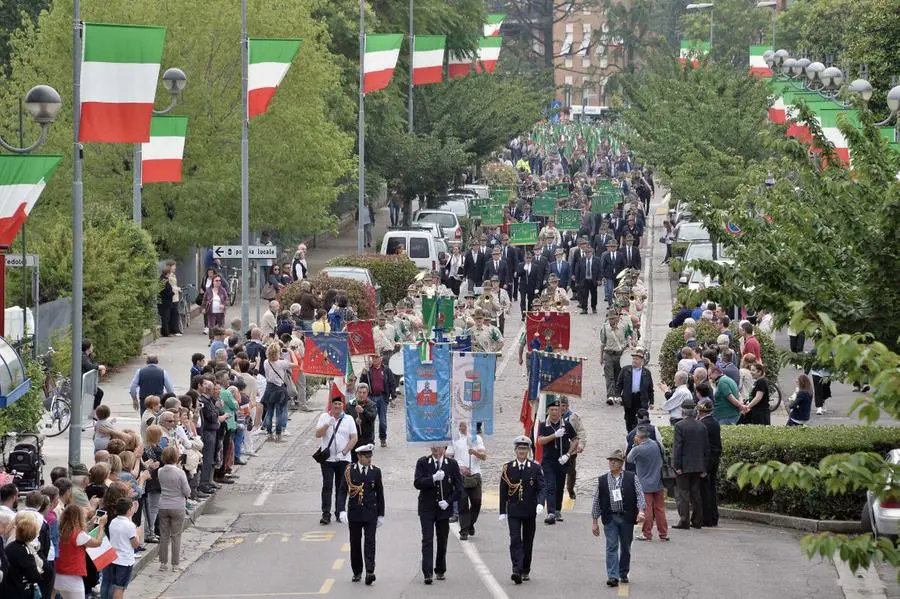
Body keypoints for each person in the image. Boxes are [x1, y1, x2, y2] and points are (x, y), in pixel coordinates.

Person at [591, 449, 646, 588]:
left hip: (627, 517)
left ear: (621, 463)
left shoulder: (631, 477)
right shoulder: (602, 480)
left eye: (615, 461)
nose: (612, 463)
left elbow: (640, 495)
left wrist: (640, 511)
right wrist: (594, 522)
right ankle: (612, 576)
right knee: (611, 546)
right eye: (610, 461)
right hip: (610, 518)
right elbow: (597, 501)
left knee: (626, 547)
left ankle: (623, 572)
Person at [413, 444, 462, 585]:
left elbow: (458, 488)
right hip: (427, 508)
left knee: (442, 540)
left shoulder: (451, 464)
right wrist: (433, 478)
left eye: (439, 446)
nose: (435, 448)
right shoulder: (423, 462)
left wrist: (448, 501)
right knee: (427, 540)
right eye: (433, 446)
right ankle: (427, 573)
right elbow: (417, 482)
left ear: (444, 448)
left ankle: (440, 569)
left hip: (443, 509)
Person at [499, 436, 545, 584]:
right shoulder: (508, 468)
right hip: (513, 510)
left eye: (524, 449)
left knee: (528, 541)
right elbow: (503, 491)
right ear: (515, 450)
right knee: (515, 539)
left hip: (529, 510)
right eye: (519, 449)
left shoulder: (535, 468)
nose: (522, 452)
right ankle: (516, 570)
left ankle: (525, 569)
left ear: (528, 451)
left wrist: (540, 503)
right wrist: (502, 512)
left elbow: (541, 488)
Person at [338, 444, 384, 585]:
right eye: (366, 457)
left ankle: (370, 571)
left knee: (370, 542)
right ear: (359, 457)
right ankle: (357, 571)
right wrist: (341, 510)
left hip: (370, 512)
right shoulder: (350, 471)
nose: (369, 459)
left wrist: (381, 514)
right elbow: (342, 491)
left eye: (370, 456)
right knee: (355, 542)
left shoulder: (375, 472)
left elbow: (380, 494)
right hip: (355, 512)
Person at [536, 396, 579, 525]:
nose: (554, 412)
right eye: (552, 409)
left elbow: (575, 440)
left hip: (562, 460)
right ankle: (550, 513)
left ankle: (557, 510)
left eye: (556, 409)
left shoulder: (566, 425)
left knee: (560, 486)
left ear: (561, 411)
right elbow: (539, 441)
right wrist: (554, 435)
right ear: (548, 411)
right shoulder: (544, 425)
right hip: (548, 460)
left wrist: (568, 454)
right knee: (551, 485)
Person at [316, 397, 357, 525]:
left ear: (342, 406)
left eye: (339, 404)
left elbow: (354, 438)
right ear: (331, 405)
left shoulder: (348, 419)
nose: (337, 406)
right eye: (335, 404)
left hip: (343, 459)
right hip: (328, 459)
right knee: (327, 486)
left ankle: (340, 512)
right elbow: (318, 434)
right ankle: (326, 513)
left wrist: (344, 451)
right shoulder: (324, 417)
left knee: (341, 487)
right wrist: (328, 423)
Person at [53, 504, 107, 599]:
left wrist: (90, 522)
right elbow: (97, 543)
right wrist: (101, 526)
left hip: (59, 575)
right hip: (73, 577)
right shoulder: (78, 534)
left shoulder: (60, 530)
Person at [672, 400, 710, 530]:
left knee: (683, 493)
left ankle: (684, 521)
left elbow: (678, 447)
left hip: (684, 466)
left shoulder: (679, 426)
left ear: (683, 411)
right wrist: (704, 467)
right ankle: (697, 520)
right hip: (698, 465)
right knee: (695, 493)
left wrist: (676, 466)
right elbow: (706, 448)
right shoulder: (702, 426)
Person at [627, 427, 668, 541]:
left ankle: (647, 534)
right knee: (660, 509)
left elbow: (629, 459)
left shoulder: (638, 449)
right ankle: (663, 533)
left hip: (644, 484)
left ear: (638, 437)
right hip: (658, 481)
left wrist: (634, 445)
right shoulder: (656, 445)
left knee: (647, 509)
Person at [157, 445, 190, 572]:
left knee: (164, 535)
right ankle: (175, 564)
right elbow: (186, 490)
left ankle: (163, 563)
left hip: (164, 504)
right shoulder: (180, 472)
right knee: (176, 535)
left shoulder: (160, 471)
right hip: (177, 505)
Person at [451, 421, 486, 541]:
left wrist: (474, 452)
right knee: (463, 503)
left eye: (464, 425)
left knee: (476, 501)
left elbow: (484, 456)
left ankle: (470, 523)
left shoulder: (477, 439)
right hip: (461, 476)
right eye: (460, 425)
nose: (462, 428)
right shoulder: (455, 439)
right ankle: (464, 531)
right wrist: (460, 468)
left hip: (475, 474)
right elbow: (449, 456)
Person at [103, 498, 141, 599]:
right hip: (124, 560)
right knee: (120, 587)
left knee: (110, 584)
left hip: (113, 557)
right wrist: (138, 534)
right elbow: (135, 544)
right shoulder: (130, 525)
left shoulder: (113, 521)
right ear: (128, 510)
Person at [359, 355, 397, 449]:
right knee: (370, 420)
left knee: (383, 421)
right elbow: (361, 384)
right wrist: (363, 374)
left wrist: (393, 397)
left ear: (381, 358)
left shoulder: (386, 370)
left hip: (382, 398)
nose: (374, 359)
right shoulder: (368, 370)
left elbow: (392, 384)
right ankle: (370, 440)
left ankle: (383, 438)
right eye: (373, 358)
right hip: (371, 398)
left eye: (376, 357)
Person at [1, 513, 42, 598]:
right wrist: (38, 570)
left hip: (7, 590)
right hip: (20, 591)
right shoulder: (26, 551)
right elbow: (34, 577)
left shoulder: (10, 546)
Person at [616, 347, 654, 433]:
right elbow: (619, 384)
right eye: (633, 359)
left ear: (642, 361)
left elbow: (650, 388)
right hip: (629, 398)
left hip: (641, 399)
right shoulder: (625, 370)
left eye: (636, 359)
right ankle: (630, 435)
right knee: (629, 419)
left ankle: (639, 435)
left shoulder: (646, 373)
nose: (634, 361)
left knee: (641, 419)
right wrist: (618, 395)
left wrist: (651, 402)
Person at [697, 398, 722, 527]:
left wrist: (703, 467)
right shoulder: (714, 423)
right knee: (711, 489)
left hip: (707, 462)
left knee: (704, 491)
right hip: (714, 460)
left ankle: (706, 517)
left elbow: (704, 447)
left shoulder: (703, 425)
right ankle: (713, 516)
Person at [599, 310, 629, 405]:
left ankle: (618, 394)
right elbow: (603, 343)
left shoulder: (623, 326)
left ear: (617, 318)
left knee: (619, 376)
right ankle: (610, 395)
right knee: (609, 376)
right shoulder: (605, 328)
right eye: (610, 319)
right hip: (608, 354)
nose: (611, 320)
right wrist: (601, 357)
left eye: (613, 318)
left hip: (620, 354)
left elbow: (627, 338)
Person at [559, 397, 586, 499]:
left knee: (571, 472)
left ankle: (570, 489)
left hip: (571, 450)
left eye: (562, 405)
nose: (559, 408)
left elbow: (581, 432)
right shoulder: (553, 416)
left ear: (566, 406)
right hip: (557, 449)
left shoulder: (573, 417)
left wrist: (581, 444)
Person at [82, 340, 108, 412]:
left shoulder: (89, 356)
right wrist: (101, 367)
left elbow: (94, 363)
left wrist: (101, 367)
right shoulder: (83, 356)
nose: (93, 347)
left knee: (98, 393)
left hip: (88, 382)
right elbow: (89, 366)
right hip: (83, 382)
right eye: (91, 346)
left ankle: (94, 412)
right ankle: (93, 412)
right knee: (98, 393)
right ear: (88, 347)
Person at [201, 274, 229, 341]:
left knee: (221, 327)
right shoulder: (208, 291)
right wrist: (203, 308)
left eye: (219, 281)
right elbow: (204, 300)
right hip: (211, 312)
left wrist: (224, 305)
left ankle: (221, 339)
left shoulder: (223, 290)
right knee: (212, 326)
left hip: (221, 312)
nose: (218, 282)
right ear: (213, 282)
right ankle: (212, 339)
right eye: (216, 280)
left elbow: (226, 299)